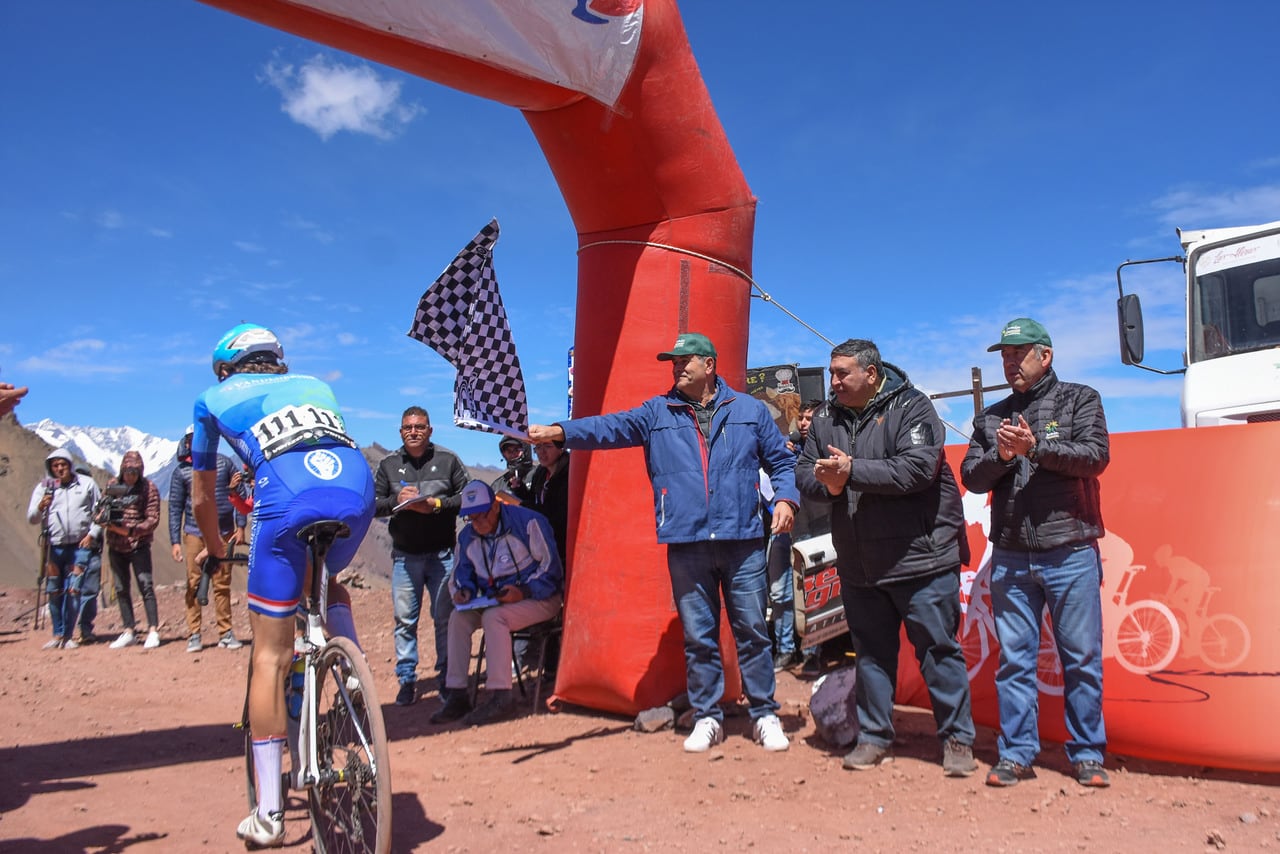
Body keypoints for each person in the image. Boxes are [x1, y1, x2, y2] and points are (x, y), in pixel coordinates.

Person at [528, 331, 798, 753]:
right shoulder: (657, 412)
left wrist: (785, 499)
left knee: (752, 630)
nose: (676, 366)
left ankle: (764, 712)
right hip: (686, 540)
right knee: (699, 635)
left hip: (742, 539)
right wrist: (559, 432)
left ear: (709, 364)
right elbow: (609, 427)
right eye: (673, 362)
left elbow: (782, 461)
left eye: (684, 360)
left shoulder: (748, 410)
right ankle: (707, 716)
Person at [191, 323, 375, 848]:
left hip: (286, 493)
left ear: (226, 367)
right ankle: (352, 669)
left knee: (270, 658)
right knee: (326, 579)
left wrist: (220, 549)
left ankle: (270, 813)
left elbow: (205, 499)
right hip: (353, 484)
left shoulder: (211, 398)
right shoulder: (316, 382)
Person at [795, 339, 978, 778]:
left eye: (843, 373)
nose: (833, 381)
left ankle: (957, 739)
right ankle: (874, 736)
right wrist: (831, 485)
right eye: (832, 372)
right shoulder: (823, 418)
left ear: (871, 374)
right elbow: (804, 471)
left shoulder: (913, 408)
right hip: (859, 563)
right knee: (871, 654)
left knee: (938, 651)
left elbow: (918, 468)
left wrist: (851, 471)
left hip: (921, 559)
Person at [960, 317, 1111, 789]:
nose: (1009, 362)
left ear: (1044, 355)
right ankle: (1017, 754)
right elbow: (972, 477)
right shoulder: (991, 416)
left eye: (1017, 353)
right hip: (1010, 555)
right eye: (1003, 355)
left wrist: (1036, 448)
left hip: (1070, 551)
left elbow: (1095, 457)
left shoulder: (1081, 398)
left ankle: (1087, 754)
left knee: (1081, 658)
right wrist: (1003, 458)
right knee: (1016, 662)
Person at [429, 480, 564, 726]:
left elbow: (552, 571)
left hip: (541, 599)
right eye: (470, 518)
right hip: (498, 600)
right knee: (458, 619)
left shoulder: (529, 523)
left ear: (494, 507)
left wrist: (522, 591)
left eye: (480, 516)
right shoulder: (468, 536)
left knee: (495, 618)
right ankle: (457, 695)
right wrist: (465, 591)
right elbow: (462, 574)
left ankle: (502, 697)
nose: (477, 524)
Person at [373, 406, 468, 706]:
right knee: (404, 620)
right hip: (405, 556)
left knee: (445, 618)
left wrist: (435, 505)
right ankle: (406, 680)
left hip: (442, 555)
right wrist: (396, 501)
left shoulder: (448, 460)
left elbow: (468, 497)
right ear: (401, 432)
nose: (414, 432)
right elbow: (372, 505)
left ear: (430, 430)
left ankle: (446, 679)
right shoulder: (388, 465)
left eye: (420, 427)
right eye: (408, 428)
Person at [170, 425, 246, 653]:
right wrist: (175, 540)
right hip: (194, 533)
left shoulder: (225, 463)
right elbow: (174, 507)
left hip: (224, 531)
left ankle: (226, 632)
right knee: (193, 583)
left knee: (222, 583)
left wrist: (241, 526)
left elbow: (239, 492)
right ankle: (194, 633)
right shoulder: (182, 471)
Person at [26, 448, 102, 649]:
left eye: (63, 464)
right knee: (54, 590)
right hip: (54, 546)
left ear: (70, 465)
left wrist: (92, 534)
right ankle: (57, 634)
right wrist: (41, 506)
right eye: (55, 465)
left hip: (80, 545)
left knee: (74, 589)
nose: (60, 468)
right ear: (50, 468)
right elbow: (32, 518)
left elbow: (101, 511)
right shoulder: (45, 487)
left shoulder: (87, 484)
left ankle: (68, 635)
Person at [102, 451, 163, 650]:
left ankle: (153, 629)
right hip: (115, 545)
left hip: (139, 545)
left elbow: (152, 518)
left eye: (135, 472)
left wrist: (132, 530)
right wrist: (104, 519)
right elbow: (104, 509)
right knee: (121, 588)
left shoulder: (148, 488)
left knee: (145, 585)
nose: (131, 476)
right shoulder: (113, 486)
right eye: (128, 472)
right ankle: (129, 629)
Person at [508, 441, 571, 566]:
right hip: (544, 542)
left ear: (561, 448)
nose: (541, 452)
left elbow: (558, 513)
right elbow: (533, 499)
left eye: (548, 447)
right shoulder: (541, 472)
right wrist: (519, 489)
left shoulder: (569, 473)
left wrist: (525, 507)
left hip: (564, 545)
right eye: (538, 447)